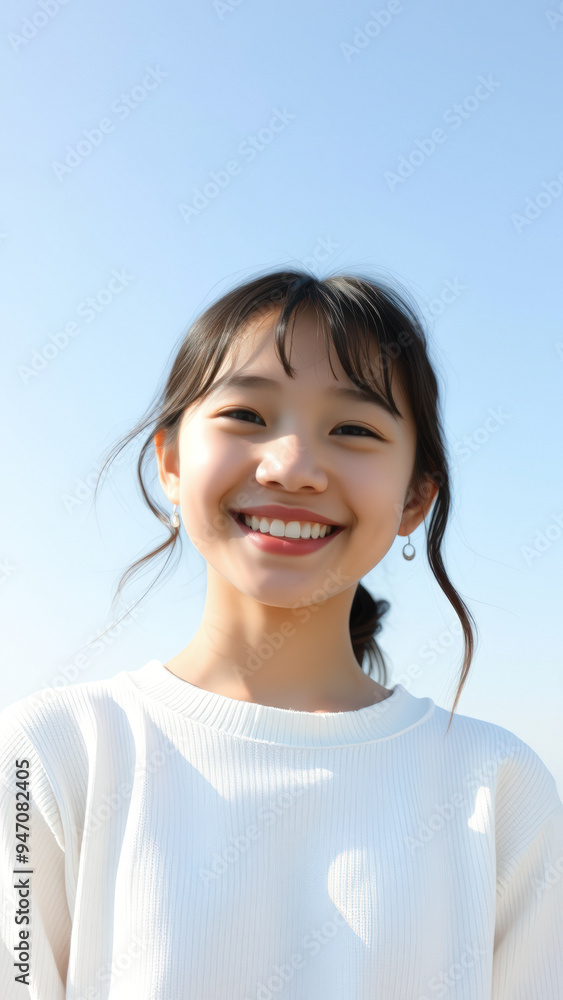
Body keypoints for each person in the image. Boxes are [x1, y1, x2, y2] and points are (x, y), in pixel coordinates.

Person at [1, 270, 561, 998]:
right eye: (245, 415)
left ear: (414, 496)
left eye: (353, 429)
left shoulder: (499, 786)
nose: (292, 468)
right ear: (171, 462)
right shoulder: (52, 753)